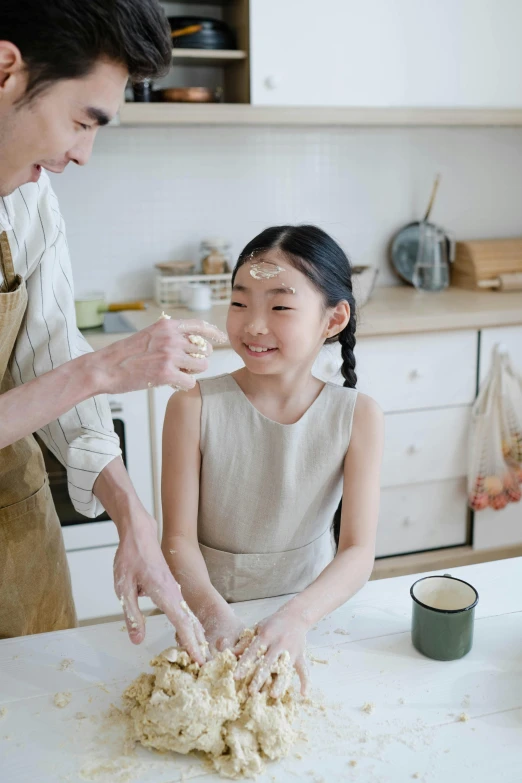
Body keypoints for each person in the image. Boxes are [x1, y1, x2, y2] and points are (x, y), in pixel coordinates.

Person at [0, 0, 226, 660]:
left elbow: (49, 347)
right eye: (80, 121)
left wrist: (133, 517)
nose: (84, 154)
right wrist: (103, 369)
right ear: (7, 69)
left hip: (13, 529)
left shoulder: (29, 201)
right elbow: (74, 370)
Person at [161, 224, 384, 694]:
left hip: (310, 613)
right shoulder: (193, 405)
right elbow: (177, 539)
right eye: (240, 303)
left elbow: (358, 551)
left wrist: (296, 617)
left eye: (280, 306)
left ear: (333, 320)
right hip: (208, 612)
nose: (253, 324)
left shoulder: (358, 416)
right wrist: (214, 613)